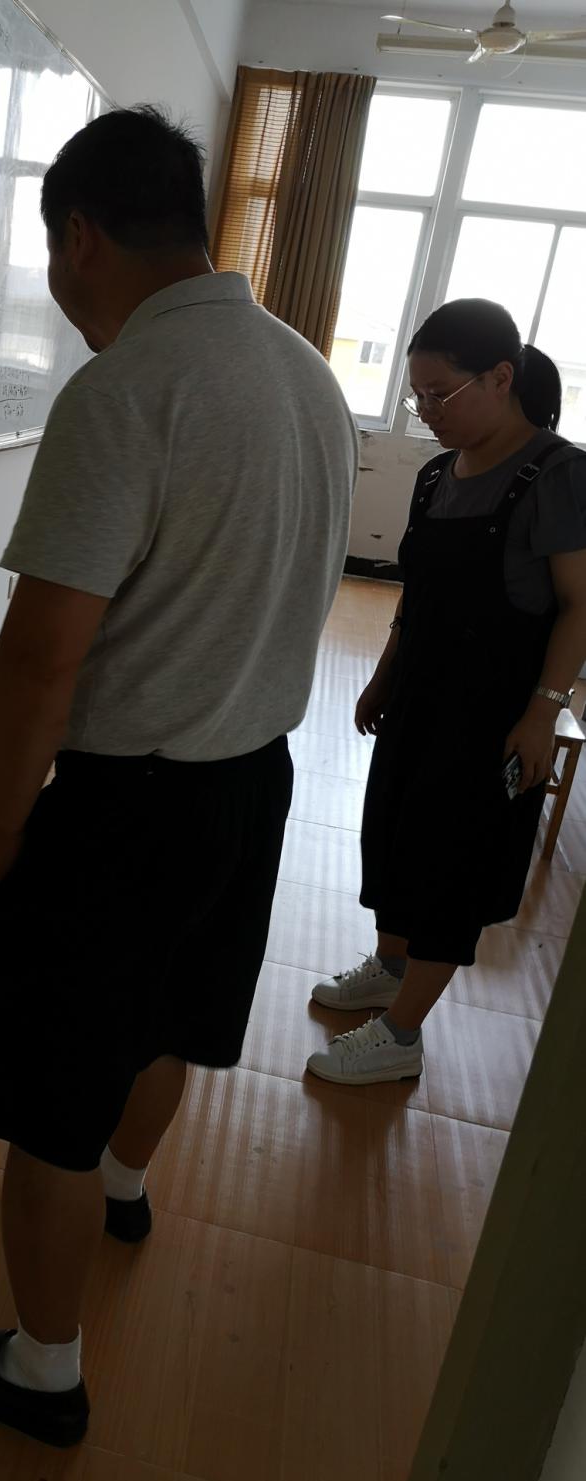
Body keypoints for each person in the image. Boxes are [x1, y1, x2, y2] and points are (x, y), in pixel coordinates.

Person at [0, 106, 356, 1448]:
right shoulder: (307, 376)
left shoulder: (127, 391)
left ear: (80, 237)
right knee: (171, 1021)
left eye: (53, 252)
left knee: (47, 1093)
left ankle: (41, 1371)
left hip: (123, 809)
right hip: (251, 784)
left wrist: (6, 833)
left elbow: (42, 654)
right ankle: (122, 1185)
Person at [307, 298, 586, 1087]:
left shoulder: (556, 475)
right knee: (395, 833)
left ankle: (401, 1035)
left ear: (498, 378)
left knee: (451, 866)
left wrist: (542, 712)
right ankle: (389, 967)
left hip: (494, 713)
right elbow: (418, 593)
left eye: (440, 394)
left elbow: (579, 605)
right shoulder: (436, 473)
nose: (425, 411)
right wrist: (382, 675)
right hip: (420, 696)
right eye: (416, 396)